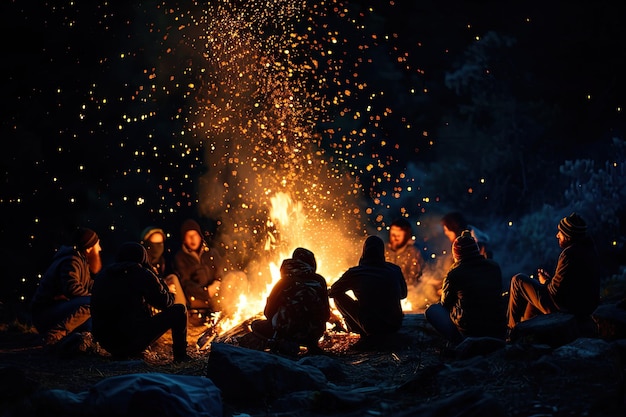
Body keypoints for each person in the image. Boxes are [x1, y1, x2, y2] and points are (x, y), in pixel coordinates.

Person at [91, 242, 191, 362]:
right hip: (131, 340)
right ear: (143, 257)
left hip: (107, 342)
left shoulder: (104, 274)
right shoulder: (141, 273)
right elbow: (166, 303)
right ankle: (181, 357)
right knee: (179, 310)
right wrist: (158, 279)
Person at [507, 212, 601, 329]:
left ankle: (511, 330)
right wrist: (549, 281)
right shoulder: (590, 250)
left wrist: (545, 281)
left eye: (560, 233)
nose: (557, 235)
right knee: (533, 296)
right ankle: (527, 330)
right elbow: (569, 285)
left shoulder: (569, 254)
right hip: (583, 306)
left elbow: (554, 293)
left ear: (568, 235)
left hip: (566, 309)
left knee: (518, 280)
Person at [425, 230, 507, 344]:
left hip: (471, 331)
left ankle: (459, 342)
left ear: (456, 254)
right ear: (477, 250)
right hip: (498, 330)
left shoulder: (455, 273)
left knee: (432, 310)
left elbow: (445, 304)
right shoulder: (494, 266)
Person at [329, 235, 408, 348]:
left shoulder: (355, 273)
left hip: (371, 325)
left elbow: (333, 291)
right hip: (395, 324)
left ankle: (362, 332)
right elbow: (403, 295)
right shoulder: (395, 269)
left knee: (337, 296)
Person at [250, 247, 331, 355]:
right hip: (313, 333)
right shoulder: (319, 280)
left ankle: (282, 342)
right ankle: (312, 346)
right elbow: (326, 314)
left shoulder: (283, 281)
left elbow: (268, 312)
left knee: (256, 325)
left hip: (287, 332)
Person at [30, 227, 102, 346]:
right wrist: (94, 298)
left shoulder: (82, 262)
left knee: (94, 316)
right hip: (45, 314)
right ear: (89, 248)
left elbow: (90, 285)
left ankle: (82, 341)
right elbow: (71, 288)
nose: (100, 249)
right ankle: (55, 334)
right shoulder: (71, 261)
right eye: (97, 245)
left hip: (58, 311)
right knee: (93, 302)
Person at [174, 218, 224, 326]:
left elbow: (221, 272)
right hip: (197, 298)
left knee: (237, 277)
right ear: (184, 239)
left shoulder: (211, 253)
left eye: (195, 235)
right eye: (189, 236)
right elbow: (186, 284)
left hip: (217, 293)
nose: (193, 239)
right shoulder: (180, 258)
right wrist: (205, 292)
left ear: (200, 236)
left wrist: (217, 283)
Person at [140, 226, 186, 306]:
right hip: (146, 300)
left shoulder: (163, 261)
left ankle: (181, 312)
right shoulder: (141, 261)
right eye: (154, 244)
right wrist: (165, 287)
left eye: (160, 243)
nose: (157, 247)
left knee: (173, 278)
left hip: (161, 295)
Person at [385, 218, 425, 287]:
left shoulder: (414, 253)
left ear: (407, 235)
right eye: (393, 234)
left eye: (398, 236)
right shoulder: (383, 250)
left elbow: (415, 279)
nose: (395, 238)